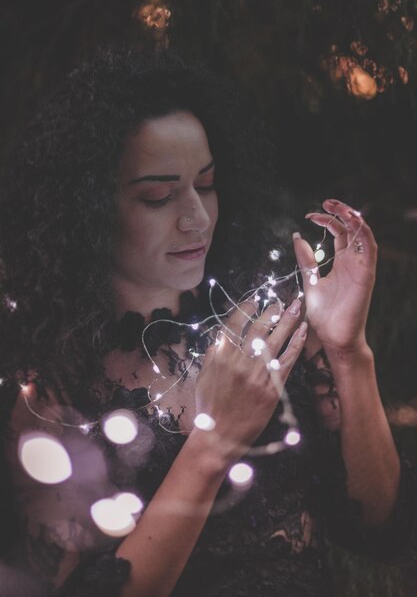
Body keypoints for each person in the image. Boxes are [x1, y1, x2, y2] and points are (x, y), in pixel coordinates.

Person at [0, 48, 414, 597]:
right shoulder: (54, 397)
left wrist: (347, 354)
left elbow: (380, 530)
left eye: (208, 183)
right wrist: (213, 444)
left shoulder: (267, 329)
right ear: (89, 210)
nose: (197, 216)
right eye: (159, 195)